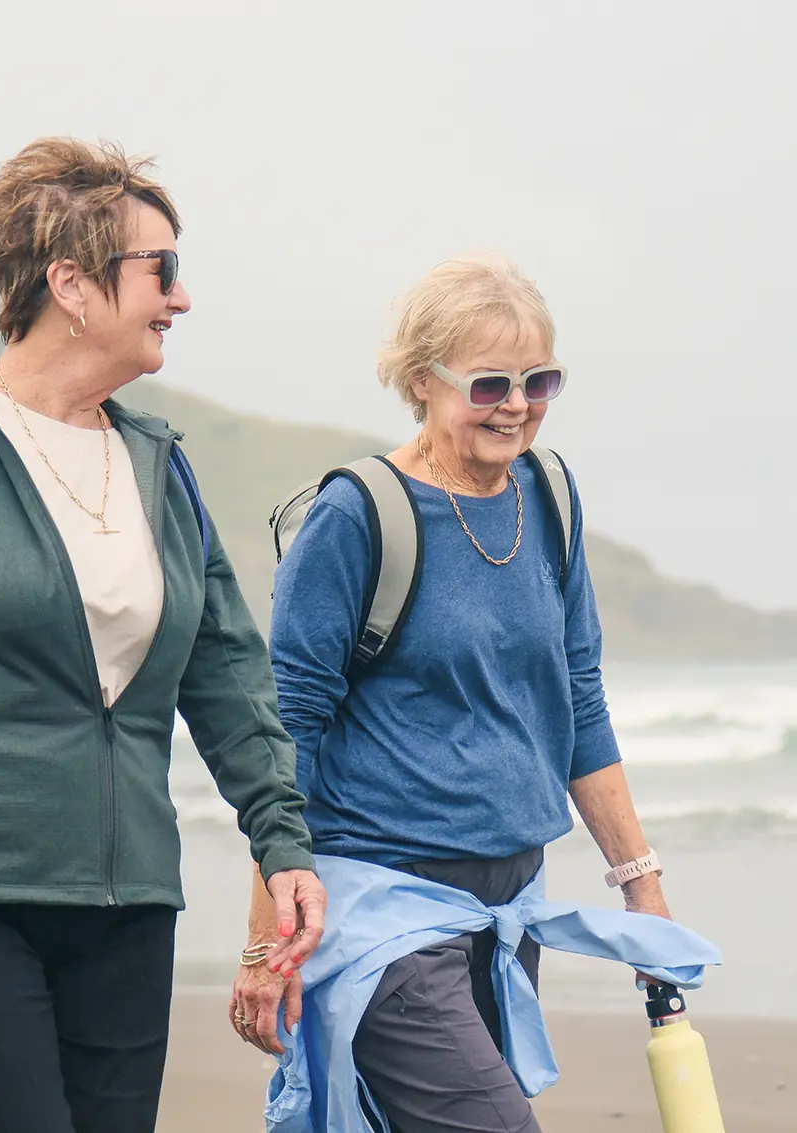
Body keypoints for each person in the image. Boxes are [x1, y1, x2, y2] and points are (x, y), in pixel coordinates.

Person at [0, 137, 325, 1133]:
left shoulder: (161, 465)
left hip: (128, 908)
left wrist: (282, 839)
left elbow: (227, 674)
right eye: (160, 269)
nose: (182, 297)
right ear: (71, 282)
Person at [231, 254, 678, 1132]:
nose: (517, 403)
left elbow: (578, 695)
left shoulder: (548, 496)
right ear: (419, 380)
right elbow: (287, 734)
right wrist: (265, 945)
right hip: (383, 908)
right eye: (489, 383)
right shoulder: (359, 515)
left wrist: (640, 883)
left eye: (538, 379)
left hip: (507, 908)